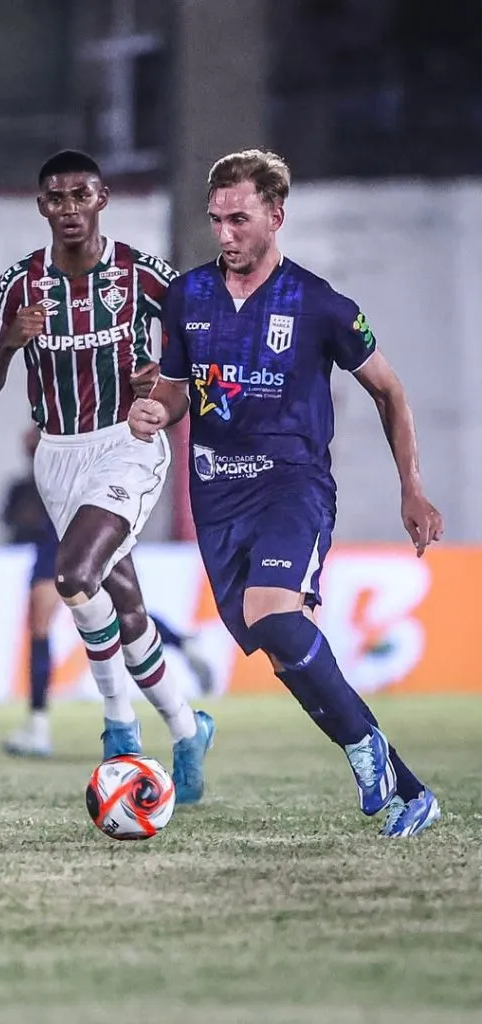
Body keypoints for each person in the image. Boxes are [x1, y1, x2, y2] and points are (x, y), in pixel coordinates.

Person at [129, 149, 442, 837]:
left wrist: (411, 489)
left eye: (239, 218)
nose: (226, 233)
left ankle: (368, 754)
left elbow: (389, 390)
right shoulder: (186, 297)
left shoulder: (321, 304)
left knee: (275, 615)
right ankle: (408, 788)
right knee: (283, 647)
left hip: (291, 486)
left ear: (275, 215)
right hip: (216, 496)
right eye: (216, 220)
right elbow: (179, 386)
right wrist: (159, 406)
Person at [0, 149, 214, 802]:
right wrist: (10, 344)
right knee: (126, 609)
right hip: (56, 454)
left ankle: (120, 729)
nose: (70, 208)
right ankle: (189, 729)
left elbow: (201, 343)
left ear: (102, 198)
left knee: (74, 575)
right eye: (57, 198)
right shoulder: (19, 286)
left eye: (82, 195)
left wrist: (161, 394)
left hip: (127, 444)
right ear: (42, 206)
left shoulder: (140, 274)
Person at [1, 425, 215, 758]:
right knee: (103, 607)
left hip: (94, 503)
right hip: (74, 509)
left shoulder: (86, 396)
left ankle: (49, 723)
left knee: (111, 611)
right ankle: (181, 647)